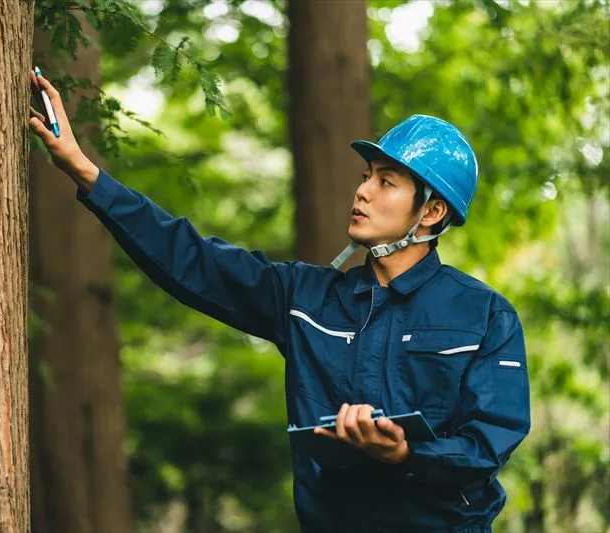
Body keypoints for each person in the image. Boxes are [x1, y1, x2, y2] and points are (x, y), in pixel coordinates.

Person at [28, 70, 531, 533]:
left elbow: (489, 443)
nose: (362, 192)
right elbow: (191, 258)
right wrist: (85, 173)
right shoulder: (302, 297)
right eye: (365, 176)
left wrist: (406, 453)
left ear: (433, 211)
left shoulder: (486, 316)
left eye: (386, 182)